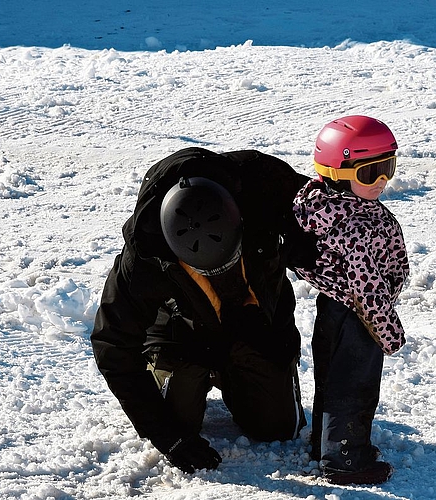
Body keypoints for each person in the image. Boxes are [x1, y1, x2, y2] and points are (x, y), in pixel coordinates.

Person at [91, 147, 315, 474]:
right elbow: (113, 346)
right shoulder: (144, 254)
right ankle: (193, 374)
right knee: (177, 420)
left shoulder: (267, 188)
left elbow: (340, 216)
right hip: (182, 337)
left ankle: (236, 373)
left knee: (280, 427)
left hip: (255, 325)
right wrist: (168, 437)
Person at [291, 115, 410, 485]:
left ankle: (325, 444)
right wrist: (387, 329)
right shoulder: (355, 223)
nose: (381, 182)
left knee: (331, 379)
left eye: (386, 169)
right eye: (368, 173)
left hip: (333, 307)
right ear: (337, 173)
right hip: (360, 314)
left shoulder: (323, 205)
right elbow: (366, 284)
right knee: (354, 387)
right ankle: (346, 460)